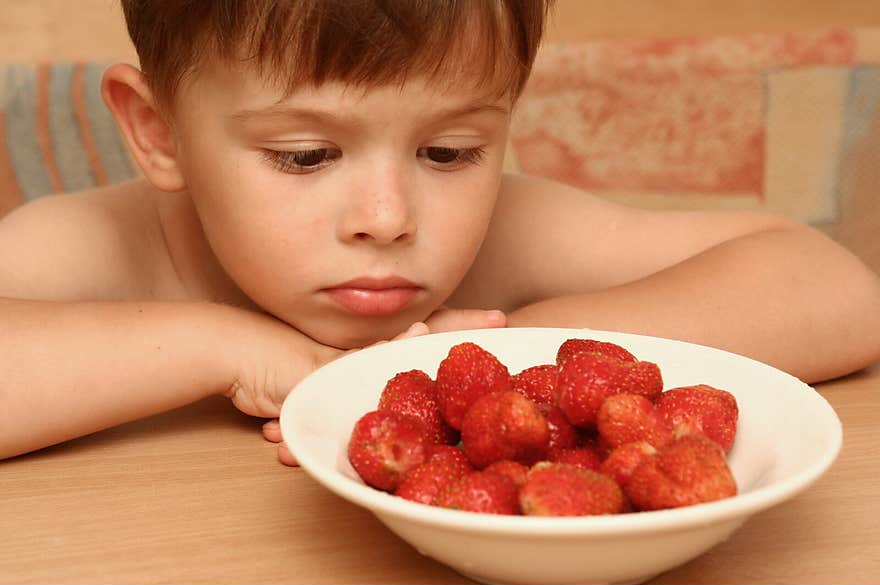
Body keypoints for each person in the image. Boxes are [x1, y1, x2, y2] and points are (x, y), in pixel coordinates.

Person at [1, 0, 878, 466]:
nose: (388, 219)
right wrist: (221, 346)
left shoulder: (513, 234)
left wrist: (512, 364)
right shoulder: (100, 250)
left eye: (450, 149)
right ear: (158, 132)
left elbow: (838, 291)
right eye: (306, 155)